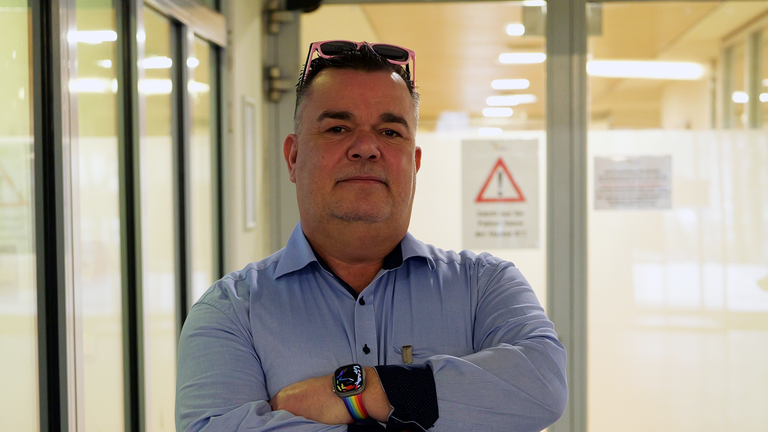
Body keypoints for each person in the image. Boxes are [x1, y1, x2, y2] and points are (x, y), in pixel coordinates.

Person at [176, 41, 567, 432]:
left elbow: (543, 384)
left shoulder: (486, 286)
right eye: (338, 128)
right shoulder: (230, 313)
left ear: (414, 164)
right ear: (294, 158)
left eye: (390, 131)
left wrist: (360, 393)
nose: (365, 147)